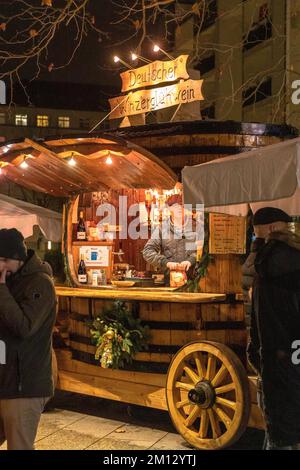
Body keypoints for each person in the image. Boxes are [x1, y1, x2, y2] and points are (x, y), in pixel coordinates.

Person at [247, 207, 300, 450]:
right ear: (274, 228)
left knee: (278, 431)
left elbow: (257, 320)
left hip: (271, 358)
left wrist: (256, 353)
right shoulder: (294, 262)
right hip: (292, 356)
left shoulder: (259, 266)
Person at [0, 228, 57, 450]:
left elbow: (24, 328)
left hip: (25, 386)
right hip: (5, 380)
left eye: (4, 260)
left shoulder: (41, 283)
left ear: (19, 258)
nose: (0, 266)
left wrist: (1, 289)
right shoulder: (11, 279)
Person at [142, 194, 197, 283]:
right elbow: (147, 251)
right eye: (175, 206)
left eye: (182, 205)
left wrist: (191, 260)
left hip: (195, 282)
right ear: (169, 209)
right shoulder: (162, 228)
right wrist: (165, 262)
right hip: (169, 282)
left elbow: (204, 250)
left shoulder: (196, 227)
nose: (179, 208)